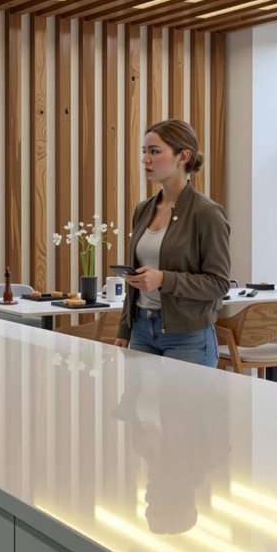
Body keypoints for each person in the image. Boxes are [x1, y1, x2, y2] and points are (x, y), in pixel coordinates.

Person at [112, 119, 231, 367]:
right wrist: (125, 328)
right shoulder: (143, 209)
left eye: (155, 151)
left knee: (183, 407)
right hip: (141, 330)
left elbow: (219, 284)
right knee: (138, 405)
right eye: (144, 152)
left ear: (183, 156)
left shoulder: (207, 213)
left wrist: (163, 280)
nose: (146, 159)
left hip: (189, 337)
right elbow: (135, 281)